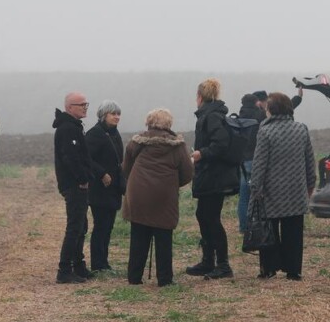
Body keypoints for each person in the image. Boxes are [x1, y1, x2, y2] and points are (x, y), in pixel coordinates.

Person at [122, 108, 194, 287]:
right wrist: (171, 184)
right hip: (164, 196)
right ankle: (165, 279)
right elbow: (187, 173)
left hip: (138, 194)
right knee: (163, 236)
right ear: (169, 125)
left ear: (148, 122)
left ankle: (134, 276)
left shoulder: (136, 143)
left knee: (138, 234)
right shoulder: (177, 146)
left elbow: (126, 168)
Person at [249, 92, 316, 281]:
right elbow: (309, 161)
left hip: (271, 192)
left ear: (272, 109)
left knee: (269, 230)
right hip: (296, 190)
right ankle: (293, 270)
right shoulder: (301, 129)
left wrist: (256, 189)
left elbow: (259, 164)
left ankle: (269, 268)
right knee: (294, 231)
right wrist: (310, 185)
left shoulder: (265, 131)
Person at [187, 78, 240, 279]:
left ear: (200, 97)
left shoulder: (211, 117)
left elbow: (220, 144)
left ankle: (223, 264)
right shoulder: (212, 114)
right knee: (203, 215)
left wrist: (202, 153)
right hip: (212, 176)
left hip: (215, 177)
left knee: (211, 218)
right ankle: (209, 260)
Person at [53, 92, 94, 283]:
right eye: (81, 104)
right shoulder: (67, 129)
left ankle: (78, 266)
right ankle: (64, 270)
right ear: (70, 107)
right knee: (75, 227)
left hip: (77, 184)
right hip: (74, 184)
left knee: (81, 226)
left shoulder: (74, 126)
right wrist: (82, 178)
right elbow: (70, 157)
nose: (85, 107)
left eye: (86, 104)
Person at [85, 100, 125, 273]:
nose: (117, 117)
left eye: (118, 114)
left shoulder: (115, 134)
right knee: (101, 225)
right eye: (113, 114)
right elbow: (86, 158)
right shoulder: (95, 134)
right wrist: (102, 173)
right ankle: (97, 264)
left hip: (113, 188)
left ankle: (104, 262)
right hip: (99, 189)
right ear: (103, 116)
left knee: (108, 226)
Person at [236, 92, 265, 228]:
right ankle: (258, 224)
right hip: (256, 158)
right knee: (258, 194)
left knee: (243, 197)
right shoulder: (260, 115)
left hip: (243, 160)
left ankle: (243, 225)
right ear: (256, 103)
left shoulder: (239, 117)